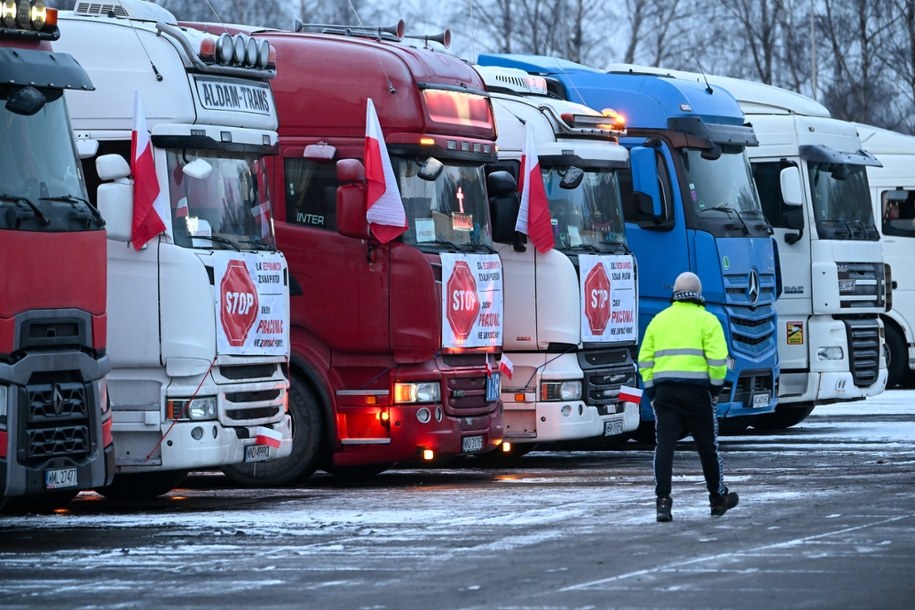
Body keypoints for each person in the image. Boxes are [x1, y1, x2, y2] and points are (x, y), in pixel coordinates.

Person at [638, 271, 739, 522]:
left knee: (665, 447)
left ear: (675, 291)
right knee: (707, 447)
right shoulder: (708, 320)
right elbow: (717, 362)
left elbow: (644, 361)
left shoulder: (658, 320)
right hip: (697, 394)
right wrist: (715, 391)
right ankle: (717, 499)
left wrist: (652, 392)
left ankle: (663, 502)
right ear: (699, 294)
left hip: (665, 393)